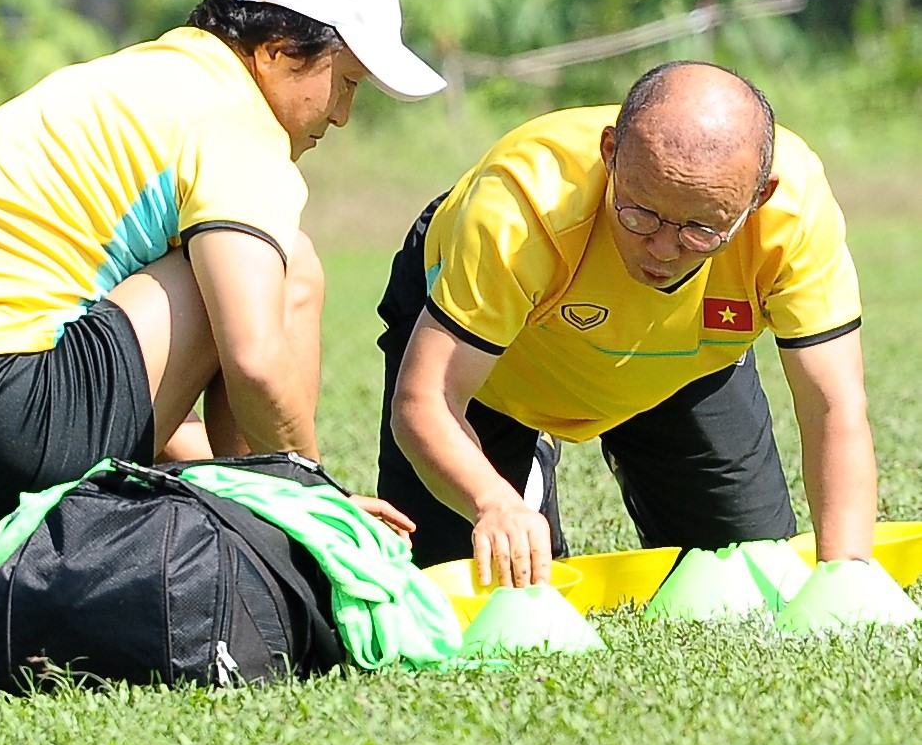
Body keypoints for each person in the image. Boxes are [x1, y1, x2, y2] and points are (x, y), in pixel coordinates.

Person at [0, 0, 445, 665]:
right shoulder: (235, 122)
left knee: (190, 291)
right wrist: (316, 506)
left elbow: (116, 358)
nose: (342, 115)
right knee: (287, 264)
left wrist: (208, 470)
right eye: (347, 81)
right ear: (276, 50)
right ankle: (258, 540)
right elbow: (255, 358)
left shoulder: (118, 84)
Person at [375, 60, 878, 587]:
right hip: (496, 378)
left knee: (747, 576)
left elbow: (833, 404)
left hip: (678, 367)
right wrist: (493, 500)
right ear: (610, 152)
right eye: (639, 214)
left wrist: (846, 575)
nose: (662, 250)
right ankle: (527, 461)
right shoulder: (521, 206)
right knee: (450, 588)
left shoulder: (796, 214)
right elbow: (426, 400)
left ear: (759, 197)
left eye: (702, 231)